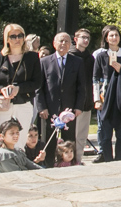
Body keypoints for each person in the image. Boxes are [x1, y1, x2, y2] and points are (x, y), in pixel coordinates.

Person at [36, 33, 86, 167]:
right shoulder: (44, 62)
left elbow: (81, 87)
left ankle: (69, 165)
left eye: (66, 41)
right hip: (49, 109)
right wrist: (42, 107)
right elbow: (39, 88)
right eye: (61, 41)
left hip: (69, 109)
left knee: (69, 141)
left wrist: (78, 107)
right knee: (48, 139)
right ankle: (48, 165)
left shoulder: (77, 62)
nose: (63, 44)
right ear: (54, 43)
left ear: (70, 44)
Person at [0, 25, 43, 136]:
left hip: (23, 104)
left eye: (20, 36)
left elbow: (37, 82)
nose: (17, 39)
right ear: (7, 39)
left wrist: (18, 89)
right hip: (2, 104)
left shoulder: (32, 57)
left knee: (20, 140)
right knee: (0, 138)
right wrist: (2, 90)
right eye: (13, 36)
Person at [93, 25, 121, 163]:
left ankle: (120, 158)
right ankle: (106, 158)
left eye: (116, 35)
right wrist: (96, 99)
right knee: (105, 134)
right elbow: (96, 78)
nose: (114, 38)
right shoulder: (101, 56)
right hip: (105, 98)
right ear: (106, 38)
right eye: (111, 35)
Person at [72, 28, 97, 163]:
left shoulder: (90, 59)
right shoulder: (70, 55)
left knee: (81, 134)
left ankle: (78, 159)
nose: (86, 40)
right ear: (76, 39)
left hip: (86, 101)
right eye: (83, 37)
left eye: (88, 38)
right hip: (71, 102)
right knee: (70, 133)